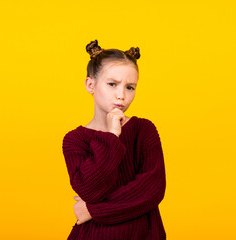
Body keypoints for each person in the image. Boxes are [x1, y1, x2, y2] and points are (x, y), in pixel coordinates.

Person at [62, 39, 167, 240]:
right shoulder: (75, 140)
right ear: (90, 85)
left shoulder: (143, 130)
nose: (121, 95)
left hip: (143, 234)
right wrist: (111, 136)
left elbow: (152, 189)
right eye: (112, 84)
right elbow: (90, 190)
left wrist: (94, 211)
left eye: (130, 87)